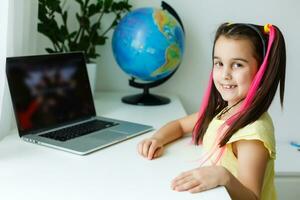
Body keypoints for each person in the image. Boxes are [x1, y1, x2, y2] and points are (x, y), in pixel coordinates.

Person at [137, 22, 286, 200]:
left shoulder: (252, 135)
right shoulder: (224, 110)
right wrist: (157, 139)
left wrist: (224, 177)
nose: (225, 74)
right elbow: (180, 125)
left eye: (237, 65)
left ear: (262, 71)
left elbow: (252, 197)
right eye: (219, 63)